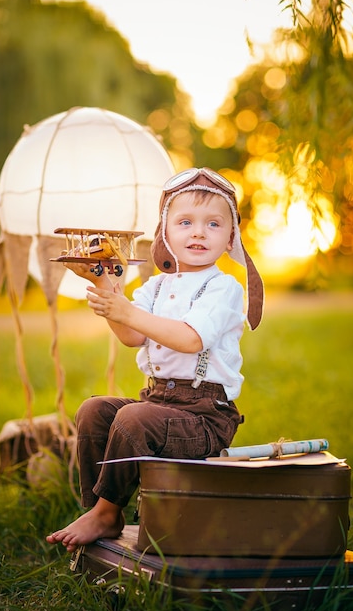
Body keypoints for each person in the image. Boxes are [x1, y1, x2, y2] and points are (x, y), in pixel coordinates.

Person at [46, 167, 264, 553]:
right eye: (185, 222)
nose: (198, 232)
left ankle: (106, 511)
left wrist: (127, 312)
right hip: (159, 401)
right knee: (95, 410)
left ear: (230, 237)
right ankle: (101, 510)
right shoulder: (156, 285)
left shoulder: (223, 287)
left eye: (213, 224)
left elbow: (190, 338)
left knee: (133, 418)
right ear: (165, 232)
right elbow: (132, 336)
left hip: (204, 416)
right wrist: (104, 286)